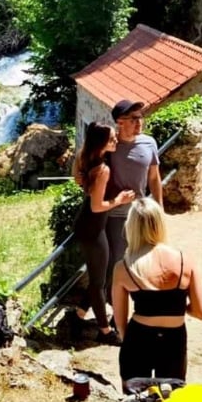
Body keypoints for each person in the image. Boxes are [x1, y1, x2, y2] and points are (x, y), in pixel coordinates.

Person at [112, 197, 202, 381]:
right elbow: (200, 312)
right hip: (174, 340)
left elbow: (120, 321)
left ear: (131, 227)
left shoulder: (124, 267)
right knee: (169, 401)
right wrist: (175, 305)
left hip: (139, 337)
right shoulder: (185, 261)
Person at [71, 121, 135, 338]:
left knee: (103, 274)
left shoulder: (89, 158)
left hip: (90, 225)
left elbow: (77, 173)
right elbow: (97, 206)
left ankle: (79, 314)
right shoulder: (102, 169)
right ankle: (105, 330)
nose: (116, 140)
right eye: (111, 139)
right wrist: (119, 200)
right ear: (101, 144)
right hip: (92, 228)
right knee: (99, 282)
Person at [104, 99, 164, 292]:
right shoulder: (109, 147)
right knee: (119, 262)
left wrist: (159, 208)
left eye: (140, 117)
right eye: (133, 119)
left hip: (141, 213)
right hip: (117, 214)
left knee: (143, 257)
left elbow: (154, 178)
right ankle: (115, 308)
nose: (139, 122)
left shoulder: (149, 143)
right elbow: (84, 170)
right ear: (120, 122)